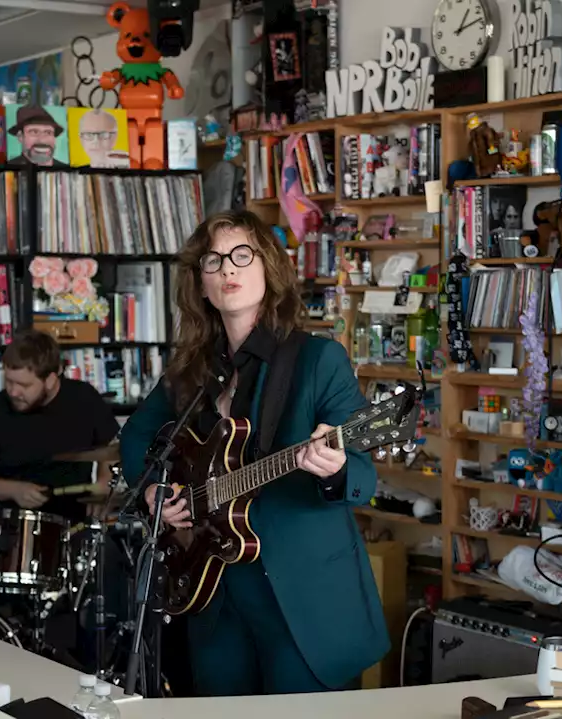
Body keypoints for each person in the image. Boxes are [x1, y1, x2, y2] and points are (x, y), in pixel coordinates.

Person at [119, 210, 388, 696]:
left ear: (269, 269)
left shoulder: (318, 360)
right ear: (200, 284)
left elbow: (364, 479)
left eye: (242, 255)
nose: (228, 269)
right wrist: (154, 491)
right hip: (213, 589)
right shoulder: (191, 372)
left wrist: (335, 467)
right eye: (214, 260)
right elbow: (136, 436)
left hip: (302, 601)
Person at [0, 329, 119, 521]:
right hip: (9, 525)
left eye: (24, 385)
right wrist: (13, 490)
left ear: (50, 379)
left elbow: (112, 451)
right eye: (9, 382)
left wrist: (104, 485)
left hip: (72, 524)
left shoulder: (84, 398)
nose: (14, 392)